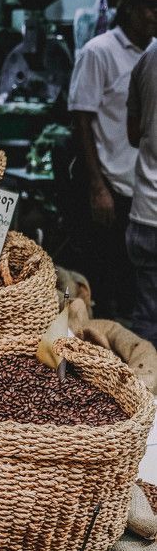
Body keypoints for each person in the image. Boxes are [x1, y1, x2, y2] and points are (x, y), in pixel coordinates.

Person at [68, 0, 157, 319]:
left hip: (141, 192)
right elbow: (80, 119)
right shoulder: (99, 51)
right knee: (103, 289)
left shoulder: (151, 54)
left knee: (133, 292)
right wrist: (96, 186)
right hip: (110, 188)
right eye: (151, 6)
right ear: (129, 7)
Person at [126, 38, 157, 345]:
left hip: (147, 214)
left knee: (147, 320)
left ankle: (143, 391)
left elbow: (133, 135)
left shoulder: (148, 56)